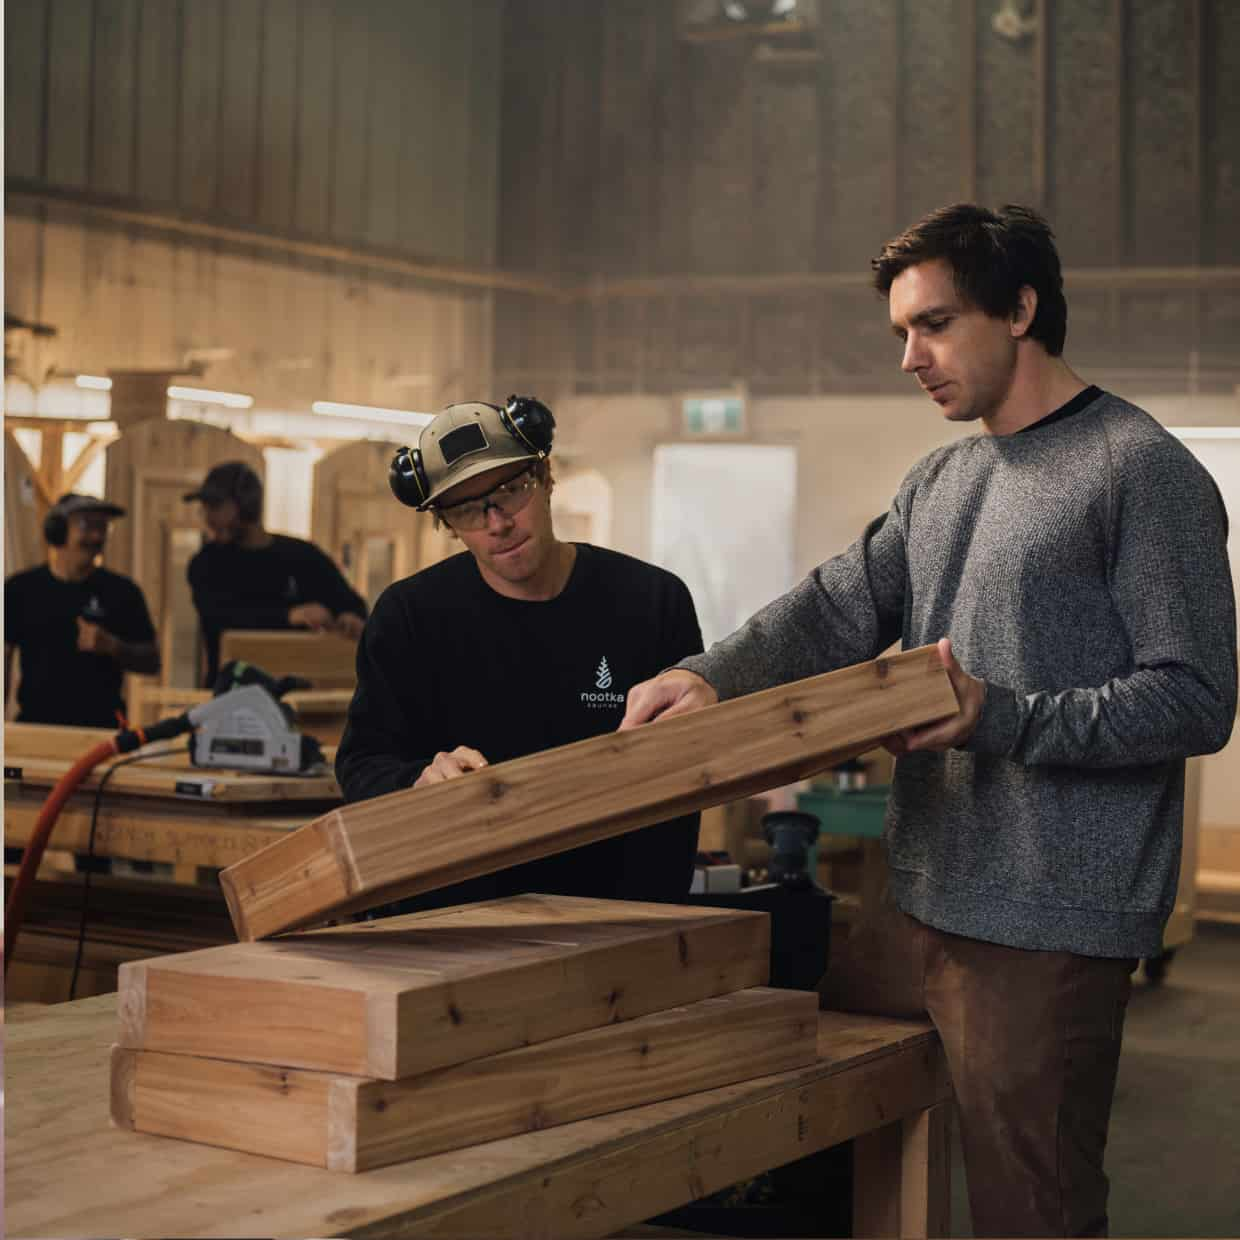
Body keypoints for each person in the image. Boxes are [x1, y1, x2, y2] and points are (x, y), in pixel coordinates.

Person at [621, 204, 1237, 1237]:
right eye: (902, 332)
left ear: (1022, 308)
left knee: (1024, 1208)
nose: (911, 357)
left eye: (935, 325)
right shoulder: (942, 479)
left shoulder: (1140, 470)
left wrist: (997, 716)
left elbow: (1194, 696)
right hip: (916, 899)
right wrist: (710, 675)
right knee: (818, 1150)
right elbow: (836, 602)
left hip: (1045, 922)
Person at [336, 396, 704, 908]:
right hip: (456, 918)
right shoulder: (409, 617)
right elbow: (362, 763)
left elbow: (689, 769)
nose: (496, 522)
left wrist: (654, 912)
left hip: (615, 916)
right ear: (446, 523)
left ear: (546, 476)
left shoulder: (652, 602)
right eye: (467, 510)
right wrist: (416, 778)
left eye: (511, 491)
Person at [184, 461, 368, 685]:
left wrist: (349, 617)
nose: (208, 518)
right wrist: (289, 616)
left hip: (302, 693)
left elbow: (353, 605)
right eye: (205, 508)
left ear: (246, 504)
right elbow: (221, 617)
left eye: (215, 506)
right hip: (231, 693)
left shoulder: (303, 556)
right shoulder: (206, 564)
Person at [5, 493, 160, 727]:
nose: (97, 536)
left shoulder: (123, 592)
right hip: (35, 727)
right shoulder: (20, 589)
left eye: (103, 528)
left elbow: (152, 661)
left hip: (102, 733)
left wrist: (113, 646)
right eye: (87, 526)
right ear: (57, 531)